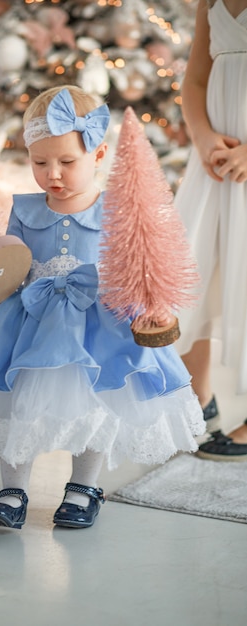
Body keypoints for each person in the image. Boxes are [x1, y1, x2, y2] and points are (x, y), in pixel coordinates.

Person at [0, 85, 205, 530]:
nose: (52, 174)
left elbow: (135, 266)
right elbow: (12, 265)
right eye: (40, 162)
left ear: (98, 157)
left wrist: (148, 305)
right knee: (15, 399)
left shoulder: (115, 210)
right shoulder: (24, 208)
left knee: (96, 400)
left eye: (66, 162)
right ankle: (12, 489)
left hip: (97, 324)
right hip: (30, 321)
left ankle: (82, 489)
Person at [174, 0, 247, 461]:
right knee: (193, 269)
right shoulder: (211, 1)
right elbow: (195, 79)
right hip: (215, 162)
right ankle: (195, 401)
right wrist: (202, 138)